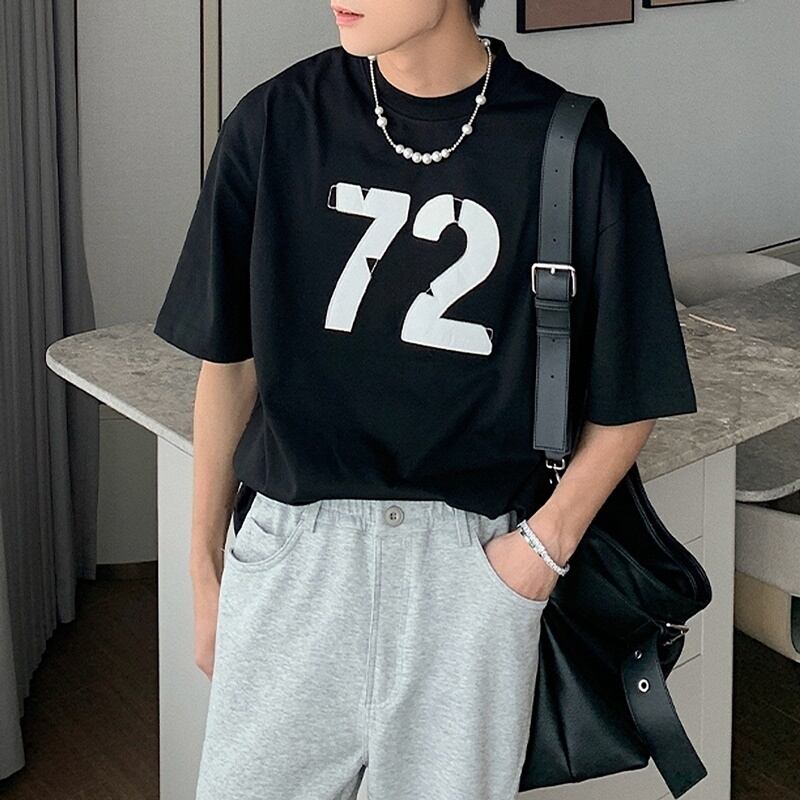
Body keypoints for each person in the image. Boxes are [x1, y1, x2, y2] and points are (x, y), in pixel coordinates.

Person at [153, 1, 698, 798]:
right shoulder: (274, 123)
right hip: (294, 557)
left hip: (471, 571)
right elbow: (228, 366)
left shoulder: (573, 151)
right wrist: (205, 576)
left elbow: (630, 395)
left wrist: (538, 555)